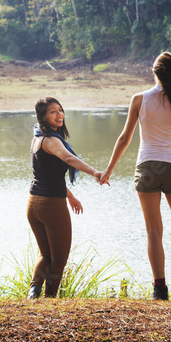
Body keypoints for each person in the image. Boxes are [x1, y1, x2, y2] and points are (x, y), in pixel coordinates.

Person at [98, 52, 171, 301]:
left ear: (154, 72)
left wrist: (109, 169)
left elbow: (124, 138)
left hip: (148, 168)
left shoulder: (139, 99)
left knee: (154, 231)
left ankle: (160, 290)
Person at [27, 96, 103, 299]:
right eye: (53, 111)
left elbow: (47, 173)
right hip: (51, 205)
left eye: (60, 110)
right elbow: (69, 158)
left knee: (46, 254)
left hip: (33, 203)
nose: (59, 114)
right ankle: (49, 299)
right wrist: (95, 172)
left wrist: (70, 196)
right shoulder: (51, 141)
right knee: (59, 258)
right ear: (43, 117)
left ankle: (33, 292)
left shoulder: (37, 137)